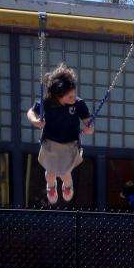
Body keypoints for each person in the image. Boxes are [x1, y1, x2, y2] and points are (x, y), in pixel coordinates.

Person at [27, 63, 94, 206]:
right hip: (50, 142)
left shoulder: (79, 104)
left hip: (69, 144)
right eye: (69, 97)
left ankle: (68, 186)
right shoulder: (47, 102)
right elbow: (31, 112)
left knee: (64, 173)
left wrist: (89, 128)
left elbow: (88, 123)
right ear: (59, 97)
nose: (74, 98)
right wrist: (35, 121)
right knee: (50, 174)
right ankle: (51, 187)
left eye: (74, 94)